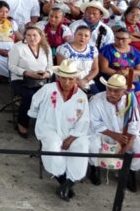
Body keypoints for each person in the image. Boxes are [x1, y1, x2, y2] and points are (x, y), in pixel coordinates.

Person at [27, 59, 92, 201]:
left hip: (73, 131)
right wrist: (39, 117)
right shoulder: (47, 89)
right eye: (64, 78)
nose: (67, 82)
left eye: (71, 79)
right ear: (58, 77)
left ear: (76, 78)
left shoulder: (81, 96)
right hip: (49, 128)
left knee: (82, 145)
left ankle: (68, 183)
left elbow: (84, 120)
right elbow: (34, 105)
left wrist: (72, 137)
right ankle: (63, 180)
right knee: (52, 145)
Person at [87, 74, 140, 189]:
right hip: (103, 132)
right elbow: (93, 123)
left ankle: (129, 171)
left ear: (124, 91)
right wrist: (115, 135)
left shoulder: (130, 100)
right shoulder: (96, 99)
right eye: (109, 89)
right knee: (92, 145)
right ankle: (94, 168)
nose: (111, 93)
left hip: (124, 133)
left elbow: (135, 123)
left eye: (116, 91)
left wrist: (128, 145)